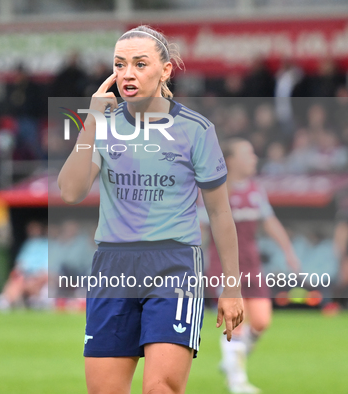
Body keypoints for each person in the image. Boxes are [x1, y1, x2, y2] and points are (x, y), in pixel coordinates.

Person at [57, 25, 244, 394]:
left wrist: (232, 285)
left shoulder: (196, 130)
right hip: (112, 266)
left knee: (161, 388)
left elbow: (221, 213)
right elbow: (70, 191)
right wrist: (89, 123)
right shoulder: (102, 126)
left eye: (140, 64)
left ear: (166, 70)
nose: (128, 73)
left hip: (174, 264)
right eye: (120, 64)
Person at [201, 138, 300, 393]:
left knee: (262, 321)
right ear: (231, 160)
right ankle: (237, 380)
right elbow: (202, 228)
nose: (254, 158)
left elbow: (270, 222)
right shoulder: (215, 190)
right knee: (236, 321)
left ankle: (232, 360)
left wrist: (289, 252)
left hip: (252, 264)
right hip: (223, 265)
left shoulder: (256, 189)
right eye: (248, 154)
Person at [0, 221, 48, 311]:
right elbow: (21, 263)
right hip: (27, 275)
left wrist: (36, 276)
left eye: (35, 229)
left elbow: (48, 265)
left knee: (43, 277)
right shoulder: (29, 244)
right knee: (17, 278)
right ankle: (6, 299)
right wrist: (20, 272)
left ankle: (36, 300)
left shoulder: (48, 244)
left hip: (40, 275)